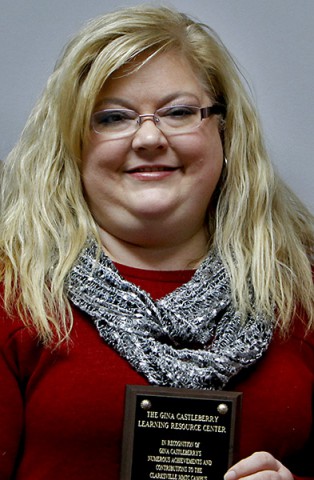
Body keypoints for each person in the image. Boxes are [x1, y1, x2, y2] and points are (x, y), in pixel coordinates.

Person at [0, 4, 313, 480]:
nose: (149, 137)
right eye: (111, 118)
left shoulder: (302, 289)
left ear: (223, 131)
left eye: (179, 112)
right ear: (71, 142)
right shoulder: (13, 293)